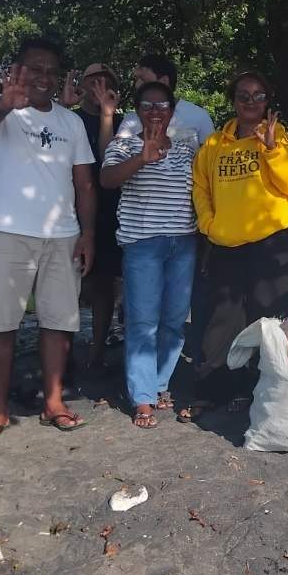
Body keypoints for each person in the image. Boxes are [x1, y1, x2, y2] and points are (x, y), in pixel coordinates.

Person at [0, 37, 97, 444]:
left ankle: (54, 402)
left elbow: (84, 183)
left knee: (59, 324)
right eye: (34, 68)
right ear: (18, 70)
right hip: (6, 233)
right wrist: (6, 103)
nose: (43, 77)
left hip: (63, 235)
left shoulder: (70, 123)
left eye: (51, 71)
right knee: (0, 325)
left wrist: (88, 233)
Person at [187, 70, 288, 417]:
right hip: (226, 243)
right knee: (222, 321)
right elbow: (201, 187)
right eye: (243, 95)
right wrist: (209, 224)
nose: (251, 102)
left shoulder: (278, 136)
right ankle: (212, 389)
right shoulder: (214, 144)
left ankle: (258, 391)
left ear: (267, 101)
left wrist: (270, 149)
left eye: (258, 96)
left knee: (267, 319)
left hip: (271, 244)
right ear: (234, 100)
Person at [101, 82, 199, 428]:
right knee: (142, 322)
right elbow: (107, 179)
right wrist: (141, 158)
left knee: (174, 319)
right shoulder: (124, 144)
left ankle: (159, 384)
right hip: (142, 245)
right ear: (137, 110)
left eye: (162, 106)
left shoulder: (187, 147)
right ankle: (142, 397)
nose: (155, 111)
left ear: (172, 111)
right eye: (147, 105)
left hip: (183, 243)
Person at [62, 64, 124, 378]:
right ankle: (62, 355)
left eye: (105, 81)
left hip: (109, 213)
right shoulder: (67, 118)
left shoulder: (124, 123)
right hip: (67, 211)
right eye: (92, 81)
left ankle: (97, 352)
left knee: (103, 286)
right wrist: (63, 106)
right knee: (65, 285)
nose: (99, 86)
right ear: (81, 85)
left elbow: (110, 158)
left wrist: (107, 115)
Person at [111, 54, 215, 146]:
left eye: (143, 80)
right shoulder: (131, 120)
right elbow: (113, 156)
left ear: (164, 81)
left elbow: (211, 157)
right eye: (136, 80)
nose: (137, 85)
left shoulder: (198, 116)